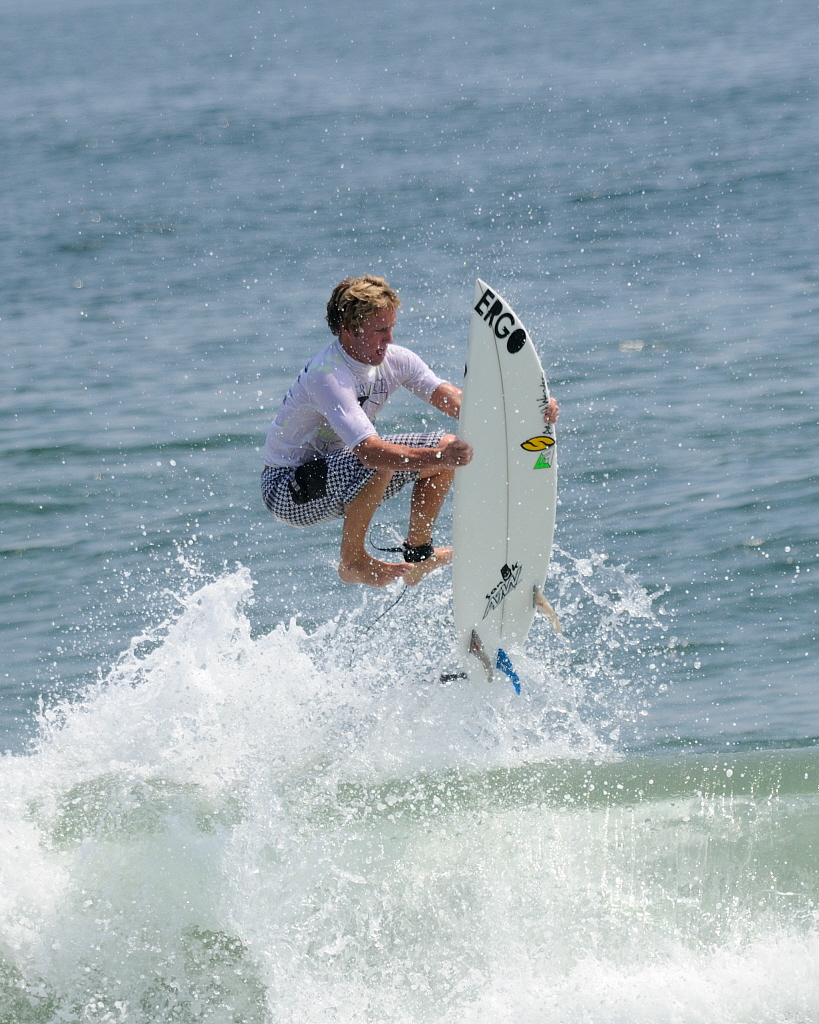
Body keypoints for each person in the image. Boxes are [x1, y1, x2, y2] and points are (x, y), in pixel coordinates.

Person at [262, 275, 558, 587]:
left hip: (341, 479)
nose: (389, 339)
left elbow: (459, 403)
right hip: (288, 490)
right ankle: (352, 561)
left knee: (444, 447)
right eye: (379, 330)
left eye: (391, 327)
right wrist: (440, 455)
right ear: (348, 330)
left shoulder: (396, 360)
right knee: (390, 458)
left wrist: (526, 412)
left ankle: (418, 557)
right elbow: (369, 451)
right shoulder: (329, 375)